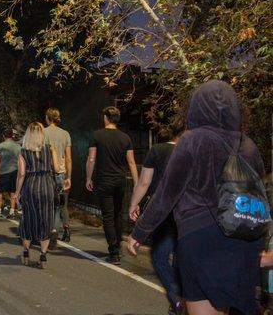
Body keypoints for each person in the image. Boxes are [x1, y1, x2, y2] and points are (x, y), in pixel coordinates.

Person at [128, 80, 267, 315]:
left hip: (203, 239)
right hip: (245, 240)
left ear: (195, 108)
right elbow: (261, 192)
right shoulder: (248, 145)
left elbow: (166, 194)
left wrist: (140, 231)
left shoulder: (193, 140)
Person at [128, 127, 183, 315]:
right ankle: (180, 300)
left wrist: (134, 204)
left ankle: (177, 300)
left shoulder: (158, 150)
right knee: (180, 257)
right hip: (189, 214)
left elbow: (144, 182)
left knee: (160, 258)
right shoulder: (196, 151)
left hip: (163, 213)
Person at [86, 106, 139, 264]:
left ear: (106, 118)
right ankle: (118, 246)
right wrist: (136, 182)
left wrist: (88, 178)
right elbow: (131, 162)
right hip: (120, 180)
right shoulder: (125, 138)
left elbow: (91, 159)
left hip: (104, 180)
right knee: (117, 214)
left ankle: (113, 251)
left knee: (108, 216)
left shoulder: (97, 135)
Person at [15, 122, 60, 269]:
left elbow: (21, 174)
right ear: (42, 134)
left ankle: (26, 252)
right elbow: (58, 168)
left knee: (28, 218)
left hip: (31, 185)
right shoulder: (50, 148)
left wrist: (16, 192)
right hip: (47, 186)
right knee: (45, 219)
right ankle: (43, 255)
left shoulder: (23, 151)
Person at [44, 108, 73, 247]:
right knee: (61, 203)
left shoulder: (43, 133)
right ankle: (66, 229)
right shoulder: (65, 134)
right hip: (61, 174)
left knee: (49, 205)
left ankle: (51, 232)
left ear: (47, 118)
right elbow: (68, 158)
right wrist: (69, 176)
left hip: (47, 174)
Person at [0, 128, 21, 218]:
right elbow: (20, 160)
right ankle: (12, 211)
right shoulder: (18, 146)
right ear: (12, 135)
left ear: (4, 135)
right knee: (13, 191)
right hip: (14, 170)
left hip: (3, 170)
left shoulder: (1, 146)